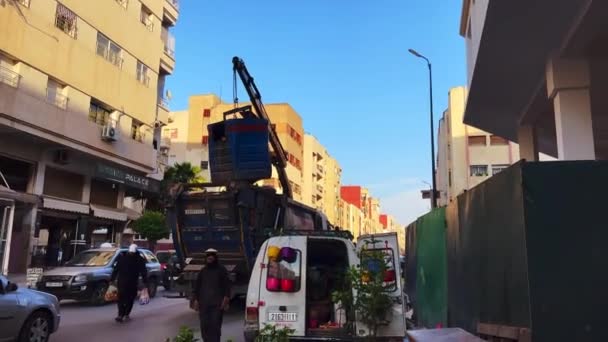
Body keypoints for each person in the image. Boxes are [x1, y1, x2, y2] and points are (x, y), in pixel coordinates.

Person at [193, 248, 231, 342]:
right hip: (204, 305)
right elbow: (197, 287)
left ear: (215, 257)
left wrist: (226, 299)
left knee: (215, 326)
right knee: (204, 326)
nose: (210, 258)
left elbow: (227, 285)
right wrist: (196, 300)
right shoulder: (203, 271)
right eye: (208, 257)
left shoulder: (221, 270)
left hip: (217, 305)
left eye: (212, 256)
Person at [111, 243, 148, 323]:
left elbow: (116, 269)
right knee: (129, 299)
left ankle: (121, 314)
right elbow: (143, 271)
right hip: (132, 282)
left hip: (123, 282)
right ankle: (125, 314)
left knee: (122, 298)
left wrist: (112, 279)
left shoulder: (122, 258)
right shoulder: (139, 259)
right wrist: (145, 281)